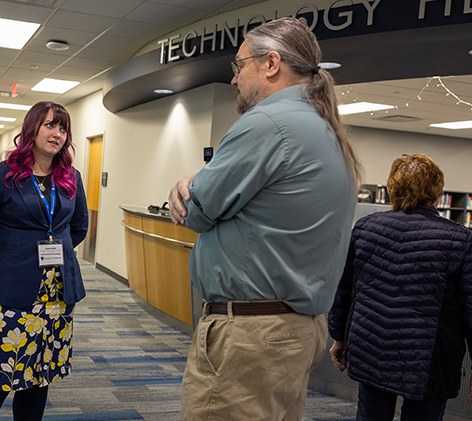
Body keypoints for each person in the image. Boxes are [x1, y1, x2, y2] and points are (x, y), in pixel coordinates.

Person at [167, 17, 362, 420]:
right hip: (292, 332)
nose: (235, 80)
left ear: (271, 63)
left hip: (251, 337)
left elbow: (195, 210)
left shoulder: (267, 124)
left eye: (240, 66)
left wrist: (187, 182)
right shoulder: (326, 129)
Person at [0, 101, 88, 421]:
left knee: (38, 380)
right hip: (12, 296)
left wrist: (59, 257)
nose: (57, 134)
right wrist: (4, 266)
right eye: (50, 125)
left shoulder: (71, 178)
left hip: (57, 296)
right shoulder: (1, 176)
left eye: (63, 128)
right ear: (32, 128)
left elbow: (79, 227)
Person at [328, 153, 472, 421]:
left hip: (371, 347)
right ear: (437, 193)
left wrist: (339, 337)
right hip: (429, 361)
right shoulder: (460, 239)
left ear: (392, 187)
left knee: (371, 416)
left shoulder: (365, 228)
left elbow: (345, 290)